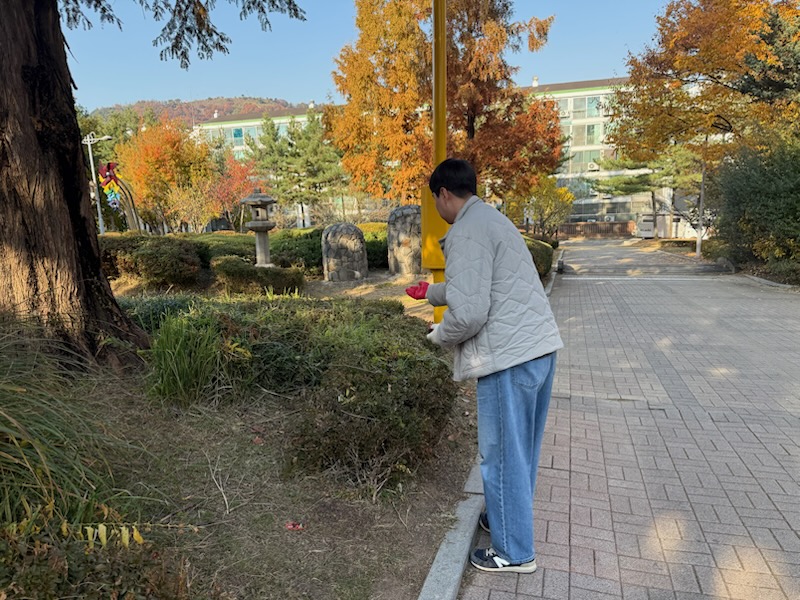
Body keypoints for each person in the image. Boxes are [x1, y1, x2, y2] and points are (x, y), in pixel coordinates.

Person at [406, 158, 563, 574]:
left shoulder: (466, 232)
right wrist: (433, 291)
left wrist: (435, 337)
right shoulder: (491, 219)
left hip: (508, 357)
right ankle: (503, 519)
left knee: (500, 454)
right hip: (538, 348)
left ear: (442, 194)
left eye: (434, 200)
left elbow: (470, 313)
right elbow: (483, 283)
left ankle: (514, 552)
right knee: (521, 449)